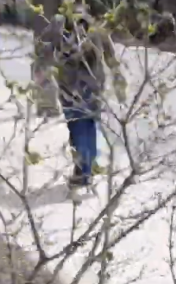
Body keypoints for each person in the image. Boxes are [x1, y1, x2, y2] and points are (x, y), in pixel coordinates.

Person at [42, 5, 126, 188]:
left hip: (70, 87)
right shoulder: (97, 26)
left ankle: (83, 170)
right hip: (94, 85)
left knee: (77, 127)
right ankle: (86, 167)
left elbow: (46, 53)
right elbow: (111, 57)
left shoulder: (58, 25)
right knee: (89, 126)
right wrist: (119, 83)